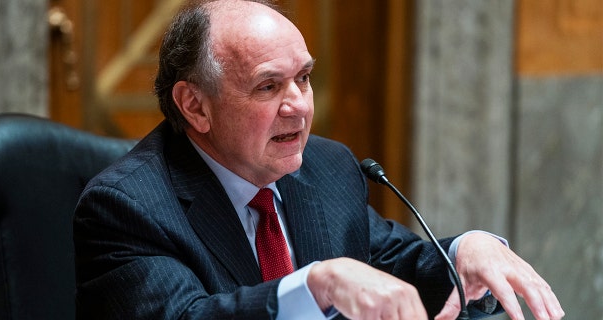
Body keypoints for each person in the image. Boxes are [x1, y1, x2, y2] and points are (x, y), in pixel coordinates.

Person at [73, 0, 564, 319]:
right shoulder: (126, 207)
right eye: (269, 86)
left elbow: (395, 266)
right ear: (195, 105)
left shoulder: (326, 167)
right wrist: (313, 286)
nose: (299, 106)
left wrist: (464, 254)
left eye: (303, 79)